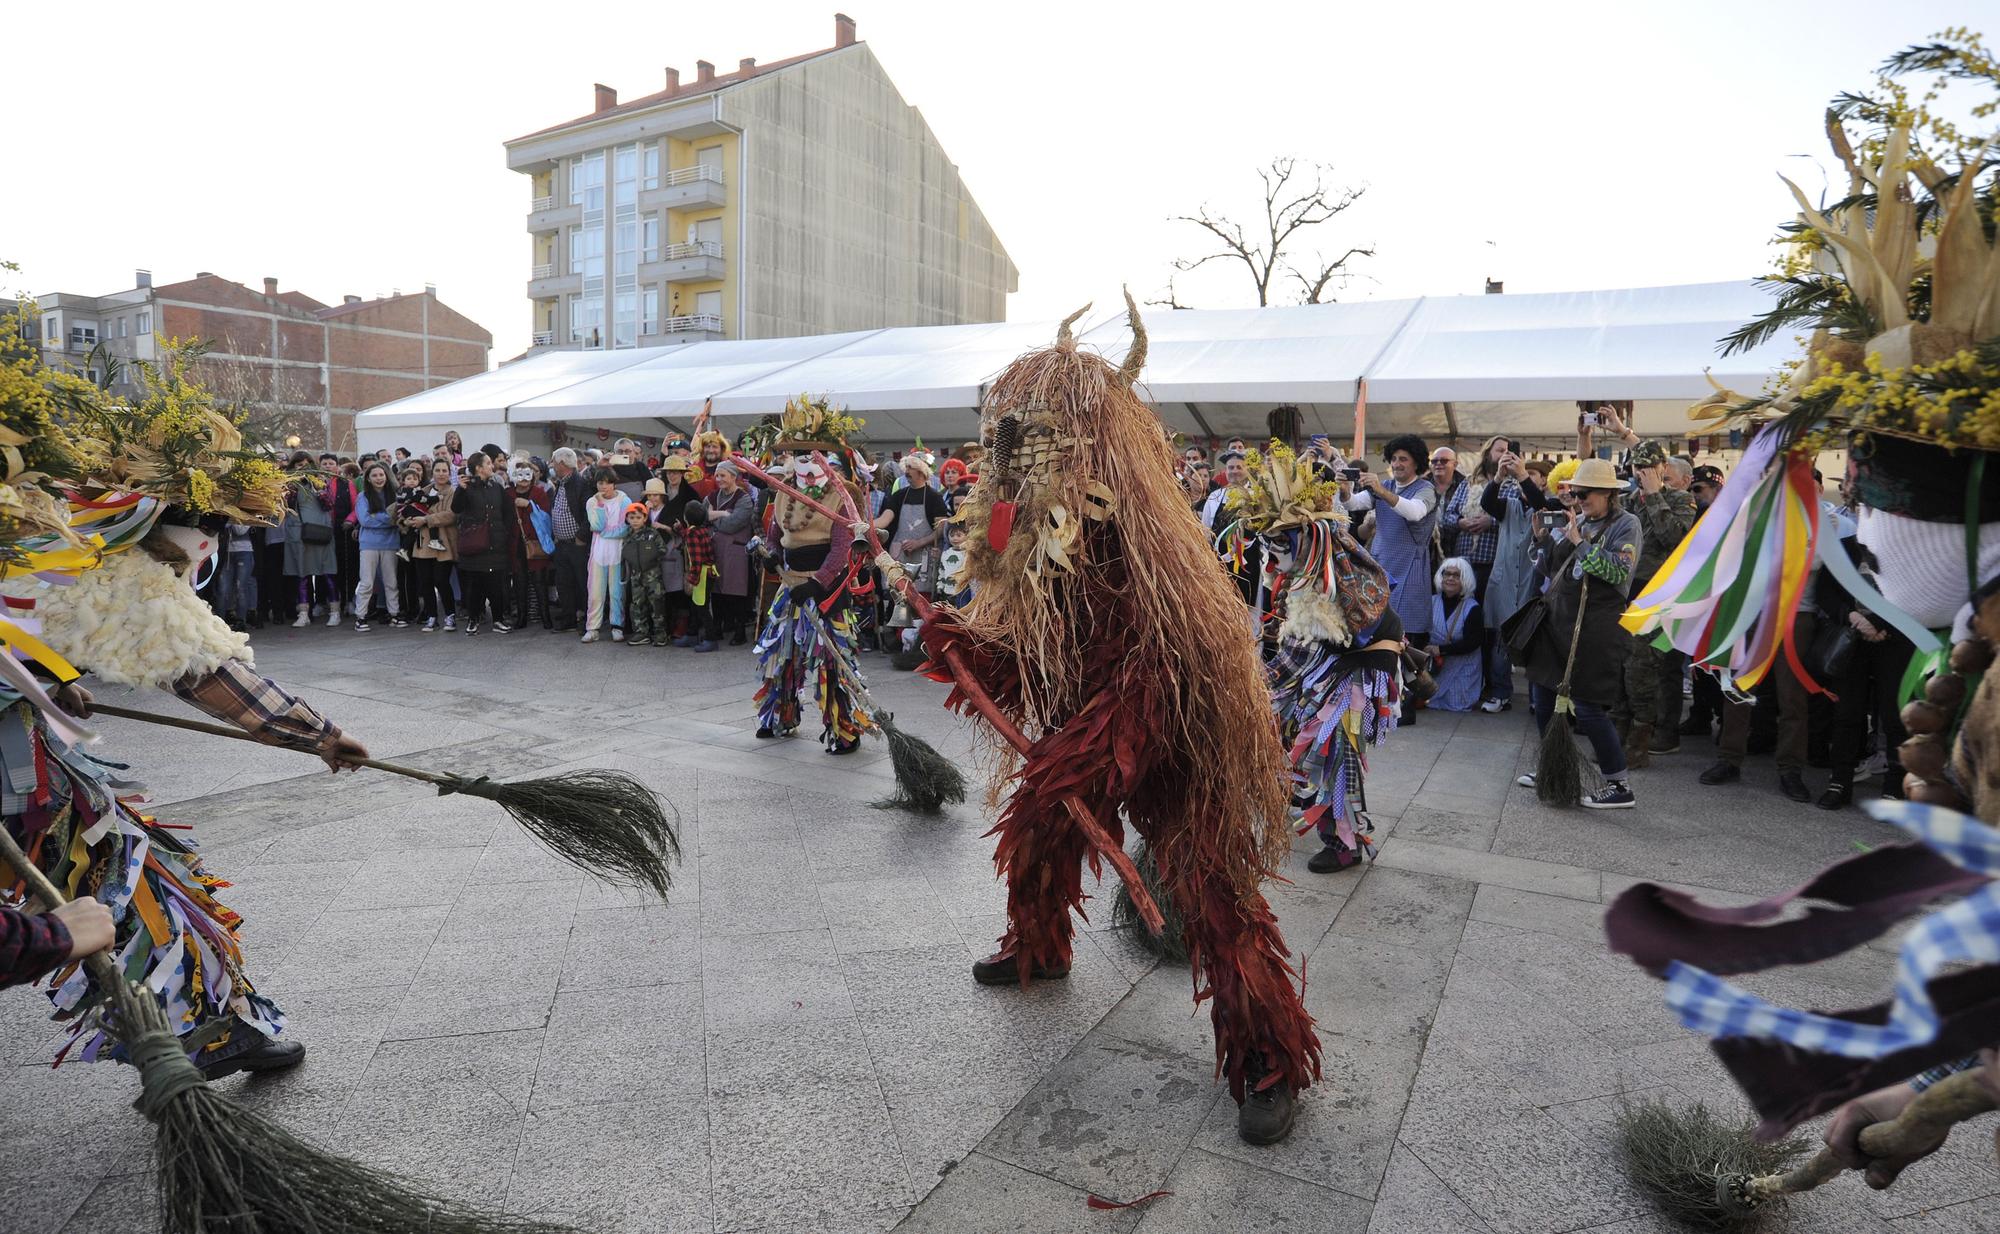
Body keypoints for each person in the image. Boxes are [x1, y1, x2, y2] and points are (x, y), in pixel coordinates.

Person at [918, 296, 1319, 1145]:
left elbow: (1171, 666)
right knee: (1037, 829)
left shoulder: (1143, 541)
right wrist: (964, 642)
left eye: (1033, 436)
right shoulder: (1029, 533)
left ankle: (1269, 1061)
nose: (1014, 455)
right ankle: (1039, 946)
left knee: (1211, 893)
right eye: (1008, 439)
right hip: (1088, 733)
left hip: (1178, 744)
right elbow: (1032, 654)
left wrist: (1095, 751)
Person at [1516, 458, 1641, 808]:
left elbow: (1618, 573)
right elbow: (1549, 567)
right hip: (1560, 621)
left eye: (1585, 493)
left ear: (1608, 494)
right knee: (1541, 696)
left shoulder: (1626, 525)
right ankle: (1553, 766)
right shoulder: (1580, 520)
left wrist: (1580, 543)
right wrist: (1541, 540)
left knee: (1586, 707)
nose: (1579, 499)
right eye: (1576, 492)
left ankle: (1619, 785)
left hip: (1595, 625)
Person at [753, 439, 873, 752]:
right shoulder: (783, 492)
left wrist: (818, 583)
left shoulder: (842, 494)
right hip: (790, 586)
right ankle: (781, 716)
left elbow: (841, 547)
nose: (806, 464)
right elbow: (775, 536)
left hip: (827, 590)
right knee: (782, 656)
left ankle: (843, 729)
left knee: (832, 662)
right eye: (800, 457)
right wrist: (771, 556)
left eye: (812, 457)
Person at [1345, 435, 1438, 718]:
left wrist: (1381, 492)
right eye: (1394, 458)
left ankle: (1408, 704)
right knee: (1381, 634)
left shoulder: (1426, 489)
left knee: (1406, 636)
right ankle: (1383, 701)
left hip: (1410, 568)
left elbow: (1414, 512)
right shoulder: (1382, 486)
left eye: (1403, 459)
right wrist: (1343, 489)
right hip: (1382, 567)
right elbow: (1352, 505)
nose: (1397, 464)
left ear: (1416, 463)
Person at [1618, 441, 1698, 764]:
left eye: (1648, 468)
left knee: (1644, 669)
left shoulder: (1681, 499)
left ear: (1662, 468)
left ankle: (1641, 741)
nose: (1642, 474)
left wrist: (1654, 496)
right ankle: (1618, 734)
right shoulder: (1625, 500)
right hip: (1625, 591)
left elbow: (1675, 539)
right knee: (1621, 665)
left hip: (1658, 594)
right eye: (1638, 468)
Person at [873, 453, 950, 654]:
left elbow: (941, 528)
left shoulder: (934, 497)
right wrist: (868, 525)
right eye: (905, 470)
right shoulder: (899, 496)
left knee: (920, 599)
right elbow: (886, 519)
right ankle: (901, 641)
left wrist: (919, 542)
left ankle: (919, 643)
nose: (906, 473)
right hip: (901, 555)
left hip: (923, 556)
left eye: (910, 470)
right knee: (899, 597)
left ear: (922, 473)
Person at [449, 452, 514, 635]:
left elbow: (507, 511)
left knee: (496, 585)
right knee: (475, 585)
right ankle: (473, 619)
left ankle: (498, 619)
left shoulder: (496, 486)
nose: (491, 466)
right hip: (476, 544)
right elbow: (456, 508)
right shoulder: (467, 486)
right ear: (478, 467)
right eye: (487, 463)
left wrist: (504, 531)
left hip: (496, 543)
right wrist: (460, 490)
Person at [282, 450, 341, 628]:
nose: (303, 468)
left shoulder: (322, 480)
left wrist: (318, 488)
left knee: (328, 572)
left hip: (320, 532)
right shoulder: (288, 483)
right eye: (299, 465)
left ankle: (334, 612)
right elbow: (286, 505)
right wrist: (293, 487)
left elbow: (329, 503)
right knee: (302, 575)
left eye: (306, 465)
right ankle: (303, 613)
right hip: (299, 533)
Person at [348, 461, 404, 631]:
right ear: (368, 479)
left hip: (390, 544)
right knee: (366, 582)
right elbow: (364, 520)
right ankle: (361, 617)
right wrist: (388, 519)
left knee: (391, 581)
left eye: (381, 474)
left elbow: (397, 519)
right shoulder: (363, 497)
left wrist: (377, 516)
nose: (379, 478)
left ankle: (394, 614)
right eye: (374, 475)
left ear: (386, 476)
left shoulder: (394, 495)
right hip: (369, 545)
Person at [705, 461, 756, 645]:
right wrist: (723, 513)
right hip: (716, 550)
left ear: (734, 477)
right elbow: (703, 516)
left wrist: (714, 516)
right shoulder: (712, 497)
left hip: (735, 550)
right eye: (717, 476)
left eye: (723, 476)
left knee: (736, 591)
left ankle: (740, 631)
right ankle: (717, 627)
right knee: (716, 590)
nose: (719, 479)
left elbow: (733, 523)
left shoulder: (744, 499)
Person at [1427, 557, 1485, 712]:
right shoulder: (1430, 602)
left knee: (1457, 704)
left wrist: (1441, 649)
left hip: (1463, 667)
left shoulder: (1472, 608)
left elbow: (1474, 641)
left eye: (1456, 575)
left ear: (1465, 579)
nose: (1450, 578)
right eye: (1447, 574)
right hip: (1436, 667)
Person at [406, 458, 457, 631]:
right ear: (432, 472)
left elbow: (451, 515)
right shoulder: (422, 491)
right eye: (438, 470)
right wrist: (407, 520)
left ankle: (450, 615)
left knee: (441, 580)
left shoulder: (453, 492)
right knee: (425, 582)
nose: (441, 474)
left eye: (444, 470)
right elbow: (406, 508)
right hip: (422, 543)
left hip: (444, 542)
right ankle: (431, 616)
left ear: (449, 473)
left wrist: (426, 519)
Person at [583, 468, 632, 643]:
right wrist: (601, 506)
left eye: (607, 482)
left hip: (617, 551)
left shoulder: (624, 500)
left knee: (617, 591)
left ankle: (617, 626)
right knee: (595, 591)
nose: (603, 487)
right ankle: (592, 627)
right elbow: (597, 525)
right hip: (598, 552)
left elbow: (626, 528)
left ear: (614, 483)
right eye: (600, 483)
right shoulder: (592, 501)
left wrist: (605, 533)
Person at [547, 447, 591, 632]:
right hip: (562, 544)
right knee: (563, 583)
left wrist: (581, 536)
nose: (553, 466)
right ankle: (568, 619)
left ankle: (587, 620)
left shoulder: (580, 484)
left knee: (582, 583)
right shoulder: (562, 483)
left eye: (554, 462)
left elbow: (589, 513)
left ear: (562, 463)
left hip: (576, 544)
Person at [507, 463, 555, 630]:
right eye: (520, 475)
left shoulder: (538, 493)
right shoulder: (508, 494)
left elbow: (546, 516)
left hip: (536, 542)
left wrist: (529, 506)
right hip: (515, 544)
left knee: (539, 581)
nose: (524, 479)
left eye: (527, 475)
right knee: (519, 582)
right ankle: (521, 617)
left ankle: (546, 618)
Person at [618, 503, 670, 646]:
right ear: (627, 519)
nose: (635, 520)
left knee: (656, 604)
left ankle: (660, 634)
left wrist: (649, 555)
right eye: (632, 517)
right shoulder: (627, 536)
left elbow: (662, 549)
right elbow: (624, 554)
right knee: (637, 605)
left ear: (645, 518)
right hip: (636, 577)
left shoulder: (652, 534)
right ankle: (641, 633)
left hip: (653, 577)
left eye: (638, 517)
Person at [216, 518, 260, 631]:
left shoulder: (248, 511)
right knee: (223, 588)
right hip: (227, 553)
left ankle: (241, 621)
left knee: (241, 588)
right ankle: (219, 621)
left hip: (244, 552)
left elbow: (240, 530)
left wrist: (231, 517)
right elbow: (220, 526)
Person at [1428, 447, 1464, 559]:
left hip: (1458, 549)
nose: (1438, 464)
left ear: (1455, 464)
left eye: (1444, 461)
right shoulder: (1422, 485)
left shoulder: (1466, 484)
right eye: (1434, 461)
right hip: (1429, 551)